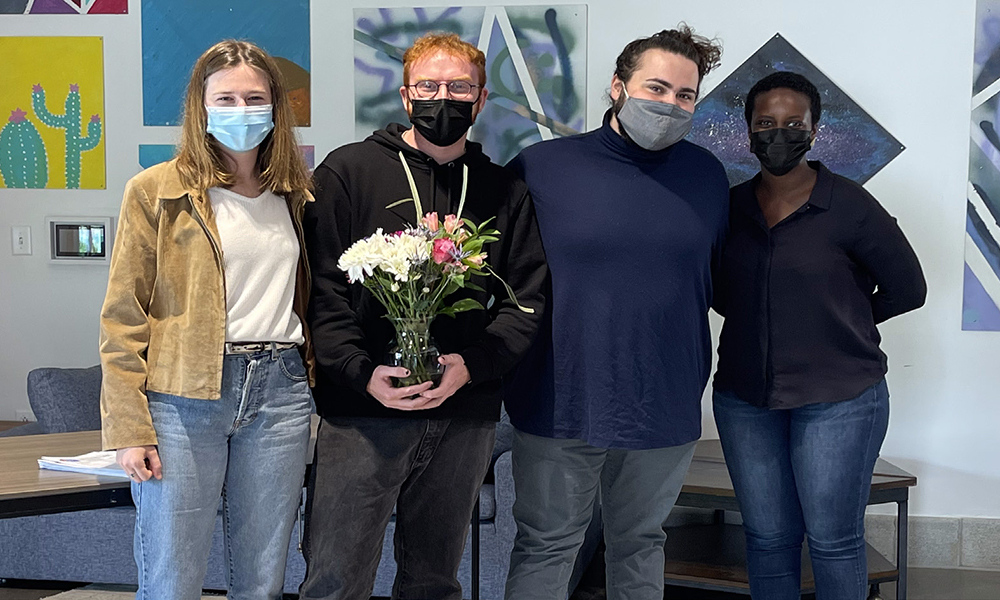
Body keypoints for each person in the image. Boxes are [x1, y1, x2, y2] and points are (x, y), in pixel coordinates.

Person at [299, 33, 547, 600]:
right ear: (407, 97)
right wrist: (360, 373)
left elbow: (526, 300)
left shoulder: (504, 189)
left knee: (435, 582)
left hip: (465, 416)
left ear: (481, 99)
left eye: (460, 87)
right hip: (361, 414)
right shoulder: (348, 172)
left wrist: (474, 365)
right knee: (334, 580)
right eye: (429, 86)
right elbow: (322, 293)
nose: (444, 98)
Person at [503, 25, 728, 600]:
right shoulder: (541, 168)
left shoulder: (706, 175)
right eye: (656, 88)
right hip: (559, 396)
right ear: (617, 88)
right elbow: (501, 278)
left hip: (665, 398)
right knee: (548, 543)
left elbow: (716, 279)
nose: (670, 105)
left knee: (641, 542)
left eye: (685, 96)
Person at [99, 39, 315, 599]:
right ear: (200, 105)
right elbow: (123, 317)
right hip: (184, 397)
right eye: (225, 98)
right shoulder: (155, 191)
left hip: (282, 393)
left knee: (263, 578)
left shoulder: (295, 194)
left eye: (254, 97)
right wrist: (128, 428)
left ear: (275, 107)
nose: (241, 110)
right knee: (173, 577)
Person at [712, 71, 927, 600]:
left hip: (840, 399)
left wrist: (840, 322)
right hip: (746, 399)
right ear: (748, 131)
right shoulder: (729, 208)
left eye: (792, 123)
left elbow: (908, 288)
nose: (778, 133)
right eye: (766, 123)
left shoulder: (850, 205)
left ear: (815, 131)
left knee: (833, 541)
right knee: (766, 538)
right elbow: (718, 289)